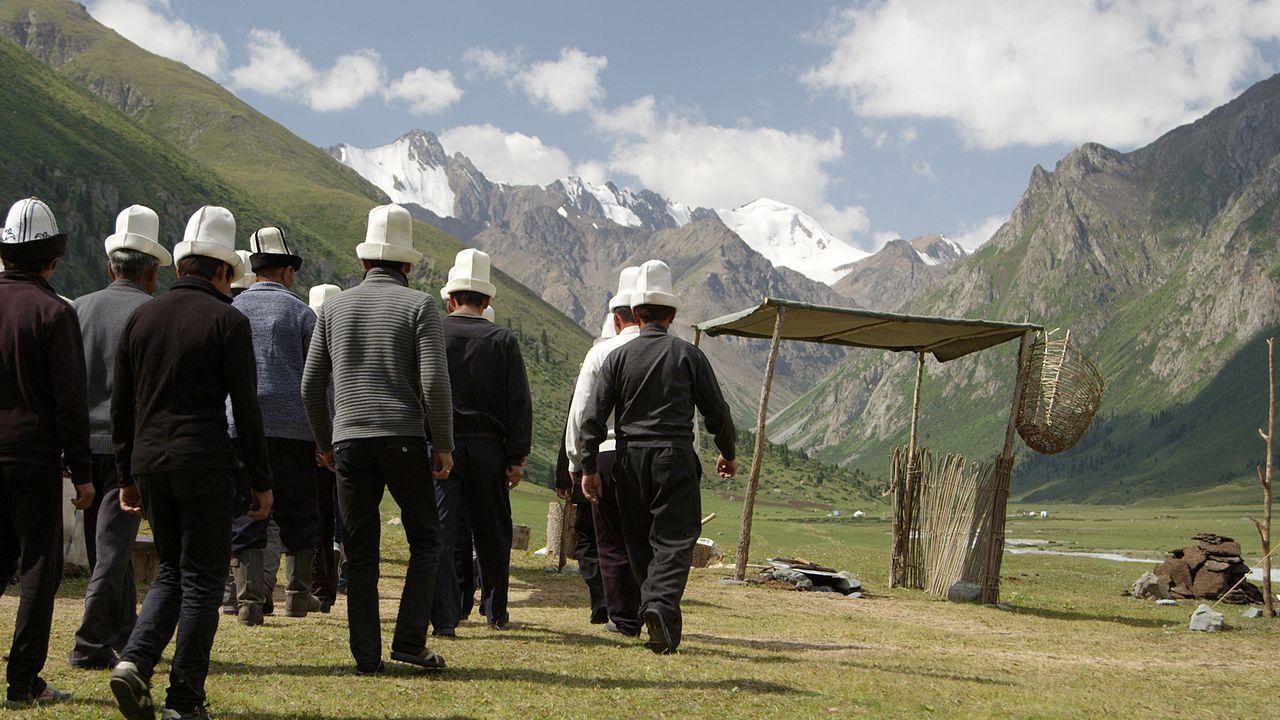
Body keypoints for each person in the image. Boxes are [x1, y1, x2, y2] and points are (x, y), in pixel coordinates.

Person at [109, 205, 273, 720]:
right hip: (203, 459)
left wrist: (126, 476)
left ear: (181, 265)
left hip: (149, 461)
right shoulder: (228, 321)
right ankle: (184, 698)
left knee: (172, 569)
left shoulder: (142, 317)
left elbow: (121, 405)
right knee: (202, 576)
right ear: (225, 271)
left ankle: (135, 661)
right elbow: (246, 408)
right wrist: (261, 481)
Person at [302, 203, 453, 674]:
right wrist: (443, 442)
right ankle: (409, 641)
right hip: (404, 436)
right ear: (407, 265)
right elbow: (433, 382)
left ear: (364, 262)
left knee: (360, 549)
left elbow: (310, 384)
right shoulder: (420, 306)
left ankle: (366, 656)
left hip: (349, 441)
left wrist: (325, 442)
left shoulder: (333, 307)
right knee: (426, 540)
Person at [579, 259, 737, 655]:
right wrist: (728, 453)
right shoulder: (688, 356)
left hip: (628, 460)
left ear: (634, 313)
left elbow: (592, 417)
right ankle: (660, 606)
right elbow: (717, 412)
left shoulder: (615, 358)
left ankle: (652, 608)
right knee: (676, 537)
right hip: (674, 456)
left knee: (638, 541)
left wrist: (586, 467)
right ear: (672, 314)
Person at [0, 197, 94, 707]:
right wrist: (81, 473)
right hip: (33, 460)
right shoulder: (55, 313)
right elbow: (69, 403)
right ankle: (22, 682)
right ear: (51, 260)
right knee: (39, 569)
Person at [69, 204, 171, 670]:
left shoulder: (79, 309)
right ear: (152, 272)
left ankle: (123, 633)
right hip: (129, 450)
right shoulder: (153, 315)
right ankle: (89, 643)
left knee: (104, 547)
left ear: (110, 266)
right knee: (114, 551)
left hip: (82, 449)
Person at [226, 227, 323, 625]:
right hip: (294, 431)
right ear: (285, 272)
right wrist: (323, 435)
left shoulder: (233, 310)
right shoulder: (302, 314)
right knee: (299, 511)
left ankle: (248, 602)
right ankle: (298, 597)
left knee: (247, 509)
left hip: (240, 426)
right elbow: (318, 380)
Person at [431, 249, 531, 635]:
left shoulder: (435, 332)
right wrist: (516, 455)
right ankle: (496, 610)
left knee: (444, 530)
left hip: (443, 445)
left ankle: (447, 611)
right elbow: (518, 401)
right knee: (492, 530)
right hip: (489, 448)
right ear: (486, 301)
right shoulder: (502, 339)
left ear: (451, 299)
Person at [564, 268, 644, 637]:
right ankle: (651, 605)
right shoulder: (664, 351)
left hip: (607, 453)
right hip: (651, 453)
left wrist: (576, 460)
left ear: (616, 317)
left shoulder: (600, 353)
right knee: (645, 536)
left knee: (609, 541)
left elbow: (581, 411)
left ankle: (621, 616)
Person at [307, 283, 343, 609]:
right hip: (340, 444)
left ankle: (318, 587)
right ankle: (327, 587)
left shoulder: (308, 344)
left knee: (317, 517)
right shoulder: (348, 346)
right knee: (333, 517)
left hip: (314, 444)